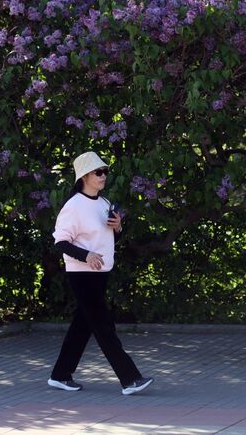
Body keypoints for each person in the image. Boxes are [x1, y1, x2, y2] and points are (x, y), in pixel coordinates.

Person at [48, 151, 154, 395]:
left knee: (83, 325)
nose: (103, 175)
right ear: (84, 176)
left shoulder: (104, 203)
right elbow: (60, 242)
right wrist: (87, 256)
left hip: (101, 273)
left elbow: (107, 237)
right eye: (98, 172)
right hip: (82, 274)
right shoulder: (73, 206)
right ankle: (130, 379)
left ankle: (60, 374)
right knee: (103, 325)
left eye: (105, 171)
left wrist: (117, 229)